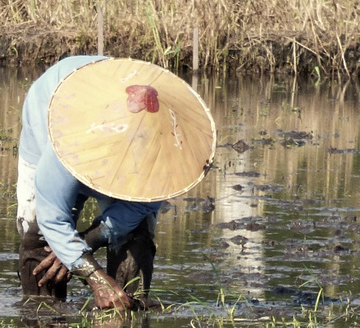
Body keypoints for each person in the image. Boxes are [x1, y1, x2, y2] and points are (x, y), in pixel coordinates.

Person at [16, 56, 216, 309]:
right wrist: (94, 276)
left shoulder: (167, 151)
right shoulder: (65, 143)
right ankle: (40, 317)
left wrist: (85, 243)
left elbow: (137, 208)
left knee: (136, 233)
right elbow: (52, 218)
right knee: (39, 238)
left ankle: (125, 318)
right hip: (55, 107)